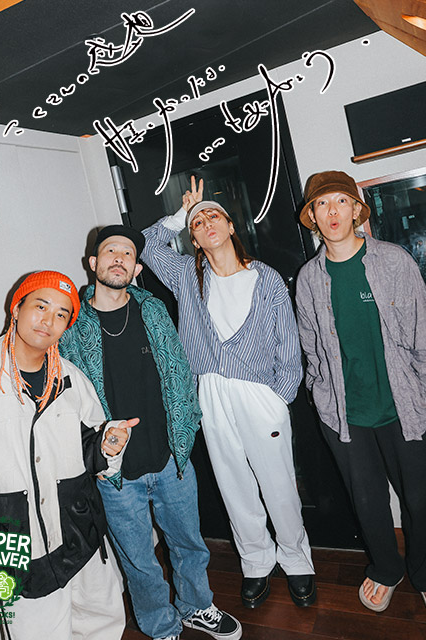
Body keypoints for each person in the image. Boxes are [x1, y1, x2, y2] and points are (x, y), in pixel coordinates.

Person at [141, 177, 316, 609]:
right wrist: (180, 214)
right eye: (198, 223)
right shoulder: (187, 275)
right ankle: (256, 561)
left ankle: (296, 560)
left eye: (213, 216)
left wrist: (279, 398)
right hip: (211, 393)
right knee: (233, 484)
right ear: (194, 238)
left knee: (279, 484)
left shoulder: (266, 278)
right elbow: (147, 247)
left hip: (261, 395)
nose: (206, 223)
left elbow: (288, 344)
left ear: (231, 226)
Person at [59, 226, 241, 640]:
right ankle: (161, 626)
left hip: (171, 458)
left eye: (128, 253)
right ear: (93, 263)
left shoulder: (153, 310)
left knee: (189, 544)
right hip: (115, 472)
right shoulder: (72, 324)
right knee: (139, 560)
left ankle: (196, 606)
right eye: (111, 251)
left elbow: (178, 369)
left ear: (137, 268)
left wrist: (186, 430)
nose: (119, 258)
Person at [0, 270, 135, 640]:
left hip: (80, 536)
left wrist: (108, 447)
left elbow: (90, 447)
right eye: (41, 306)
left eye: (61, 313)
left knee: (104, 624)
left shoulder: (72, 379)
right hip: (11, 544)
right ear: (17, 308)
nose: (49, 320)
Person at [295, 170, 426, 612]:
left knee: (420, 500)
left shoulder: (394, 261)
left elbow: (422, 334)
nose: (332, 211)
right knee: (368, 503)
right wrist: (321, 396)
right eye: (322, 204)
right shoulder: (308, 279)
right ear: (313, 216)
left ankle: (424, 570)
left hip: (404, 406)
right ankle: (386, 569)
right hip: (345, 415)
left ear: (356, 210)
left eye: (340, 201)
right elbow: (312, 348)